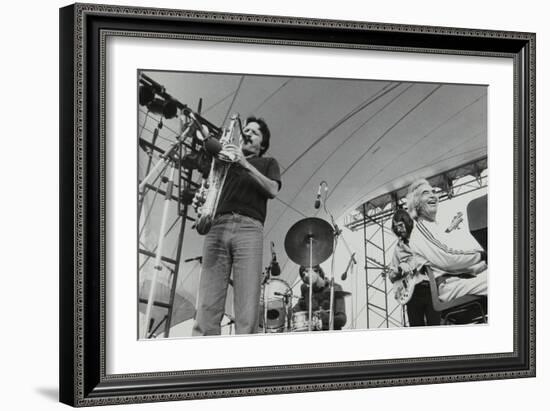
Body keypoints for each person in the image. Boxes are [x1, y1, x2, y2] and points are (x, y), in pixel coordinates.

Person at [192, 116, 281, 335]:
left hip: (249, 229)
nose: (247, 133)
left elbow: (272, 190)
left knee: (247, 307)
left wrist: (243, 162)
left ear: (262, 145)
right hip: (218, 225)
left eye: (254, 132)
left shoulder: (268, 163)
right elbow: (212, 185)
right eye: (246, 130)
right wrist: (202, 202)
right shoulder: (224, 161)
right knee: (207, 303)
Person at [406, 179, 487, 303]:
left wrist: (486, 261)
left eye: (433, 192)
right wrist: (482, 254)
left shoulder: (435, 228)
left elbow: (465, 268)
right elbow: (448, 258)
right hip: (448, 286)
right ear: (416, 204)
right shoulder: (420, 229)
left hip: (459, 281)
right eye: (425, 193)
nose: (433, 195)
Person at [388, 209, 440, 326]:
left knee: (435, 326)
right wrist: (397, 271)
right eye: (396, 227)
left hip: (429, 289)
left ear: (408, 222)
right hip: (411, 295)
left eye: (401, 225)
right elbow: (391, 275)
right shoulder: (398, 248)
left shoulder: (421, 238)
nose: (399, 229)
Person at [293, 265, 347, 331]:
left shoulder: (335, 288)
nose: (305, 276)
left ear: (317, 271)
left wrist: (327, 318)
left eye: (307, 272)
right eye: (303, 275)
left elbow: (342, 320)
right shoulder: (306, 290)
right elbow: (297, 310)